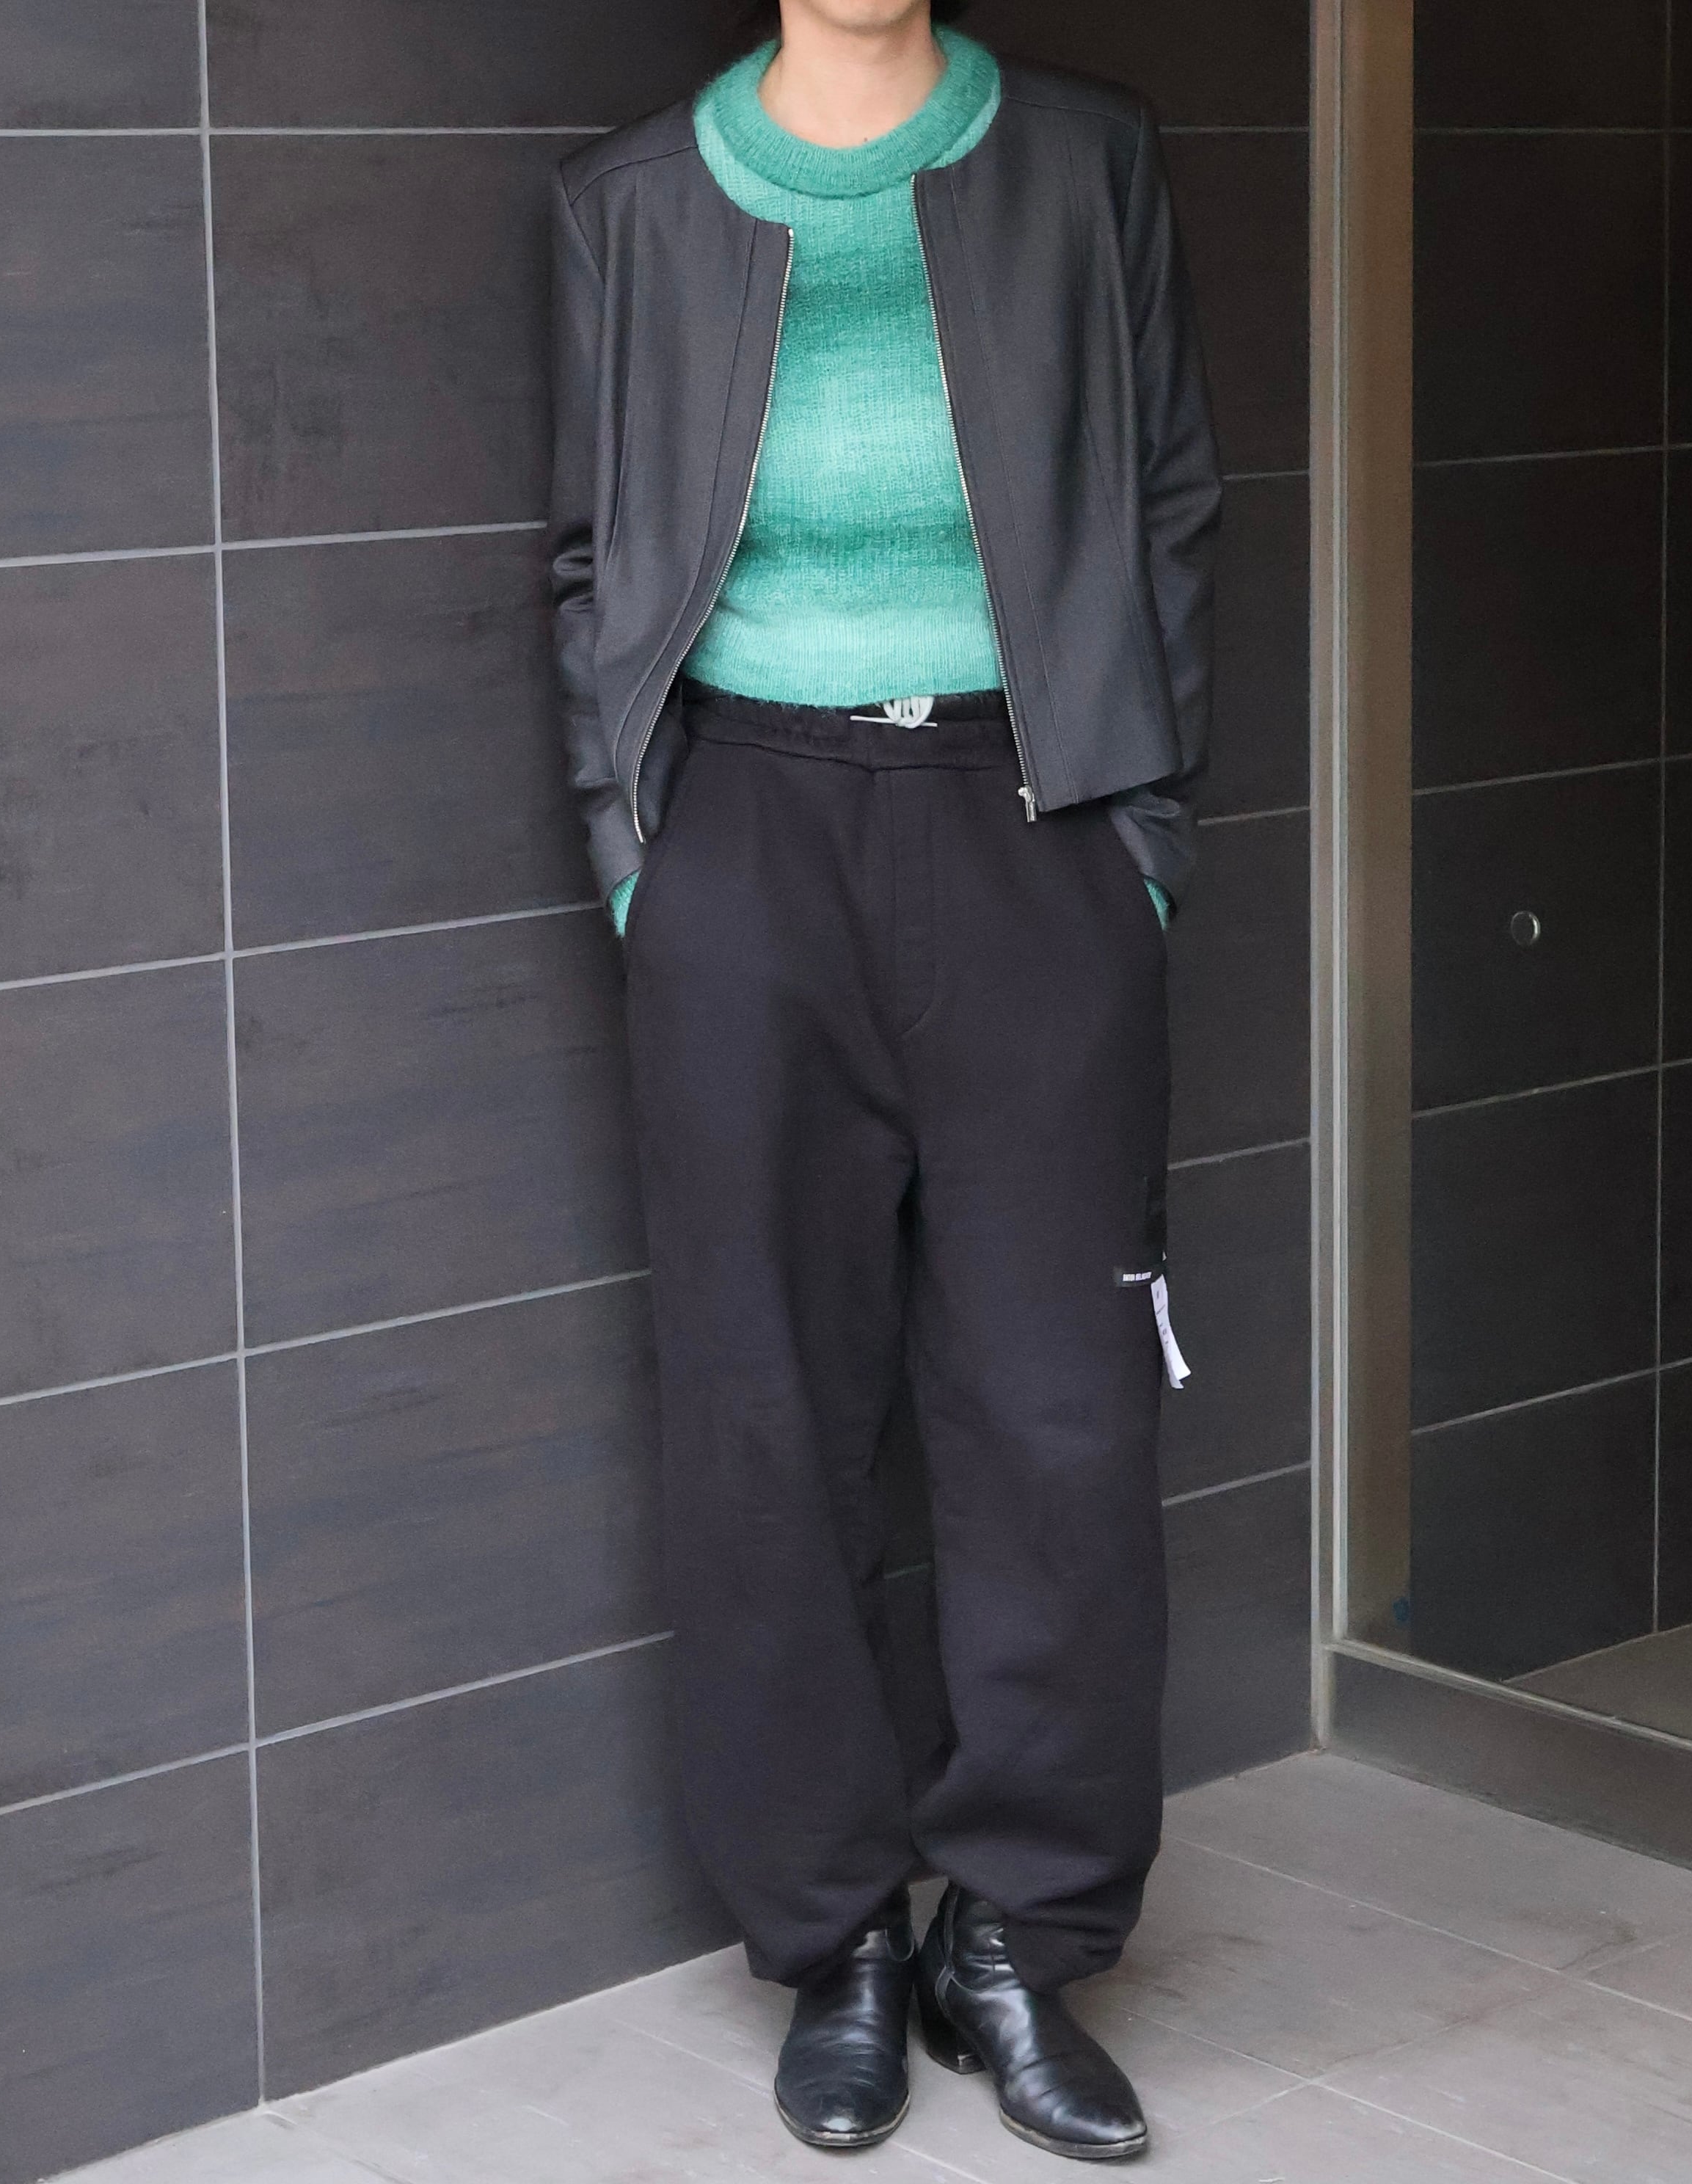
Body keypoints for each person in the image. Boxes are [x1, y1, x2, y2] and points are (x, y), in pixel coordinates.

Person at [547, 0, 1218, 2161]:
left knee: (1058, 1411)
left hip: (1038, 832)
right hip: (742, 840)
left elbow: (1170, 498)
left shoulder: (1085, 160)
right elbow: (590, 558)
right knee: (763, 1407)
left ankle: (1016, 1935)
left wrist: (1138, 846)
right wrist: (638, 856)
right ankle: (830, 1932)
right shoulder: (634, 202)